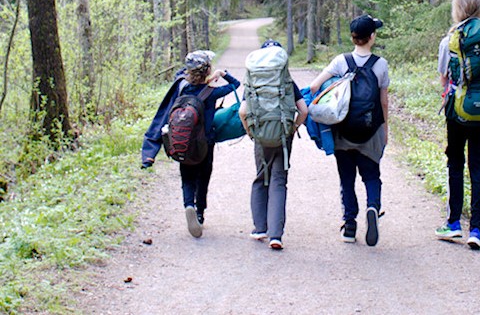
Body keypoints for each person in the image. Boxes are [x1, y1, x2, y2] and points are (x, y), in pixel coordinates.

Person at [141, 50, 241, 238]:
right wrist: (221, 74)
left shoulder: (181, 88)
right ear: (207, 71)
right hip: (205, 143)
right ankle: (200, 214)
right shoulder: (212, 92)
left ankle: (189, 205)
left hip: (183, 143)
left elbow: (180, 74)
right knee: (203, 177)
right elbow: (236, 85)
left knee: (187, 177)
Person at [310, 14, 389, 247]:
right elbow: (384, 102)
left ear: (353, 38)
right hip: (370, 131)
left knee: (347, 180)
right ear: (371, 37)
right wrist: (384, 130)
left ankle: (350, 225)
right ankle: (373, 207)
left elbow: (315, 86)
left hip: (342, 132)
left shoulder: (340, 61)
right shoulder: (380, 64)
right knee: (372, 176)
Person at [436, 0, 480, 250]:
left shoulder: (449, 39)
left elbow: (443, 77)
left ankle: (453, 224)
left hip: (456, 111)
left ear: (457, 10)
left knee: (456, 163)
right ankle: (477, 229)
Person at [239, 40, 308, 250]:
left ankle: (260, 228)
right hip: (283, 135)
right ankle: (276, 235)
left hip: (260, 135)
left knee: (261, 178)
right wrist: (292, 128)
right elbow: (303, 110)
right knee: (279, 180)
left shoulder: (254, 82)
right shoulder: (287, 83)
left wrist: (251, 132)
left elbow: (243, 112)